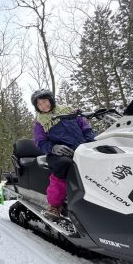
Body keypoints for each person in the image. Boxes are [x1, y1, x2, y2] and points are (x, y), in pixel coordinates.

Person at [31, 89, 95, 220]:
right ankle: (54, 205)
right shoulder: (40, 123)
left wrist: (89, 143)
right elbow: (40, 142)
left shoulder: (70, 112)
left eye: (45, 101)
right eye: (39, 104)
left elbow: (86, 128)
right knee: (64, 164)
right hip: (58, 153)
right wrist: (54, 148)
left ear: (51, 100)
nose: (43, 105)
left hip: (81, 148)